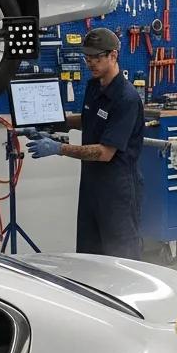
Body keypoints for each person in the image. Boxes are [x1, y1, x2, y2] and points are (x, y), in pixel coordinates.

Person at [26, 27, 145, 259]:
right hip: (92, 186)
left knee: (122, 259)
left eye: (96, 58)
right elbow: (89, 118)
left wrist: (58, 148)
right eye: (87, 58)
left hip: (117, 191)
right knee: (90, 256)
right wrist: (50, 125)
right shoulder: (94, 85)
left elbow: (104, 153)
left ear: (113, 55)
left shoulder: (126, 99)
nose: (90, 63)